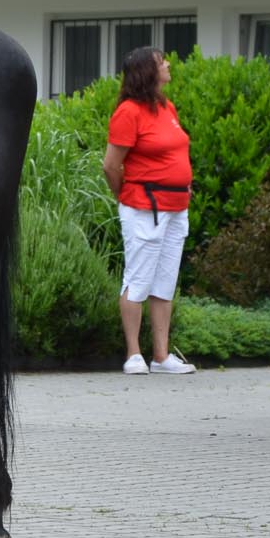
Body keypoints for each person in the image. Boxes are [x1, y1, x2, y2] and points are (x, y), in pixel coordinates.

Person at [102, 47, 195, 375]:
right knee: (139, 279)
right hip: (144, 206)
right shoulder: (128, 112)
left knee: (165, 281)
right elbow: (112, 166)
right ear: (146, 72)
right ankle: (133, 354)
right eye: (161, 62)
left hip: (175, 207)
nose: (168, 64)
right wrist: (126, 197)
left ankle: (161, 356)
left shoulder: (166, 107)